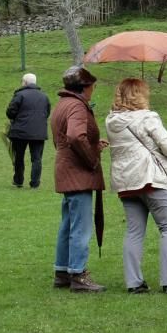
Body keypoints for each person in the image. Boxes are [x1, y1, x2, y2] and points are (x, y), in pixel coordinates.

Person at [106, 78, 167, 294]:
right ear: (140, 95)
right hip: (149, 178)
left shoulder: (111, 121)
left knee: (134, 231)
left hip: (126, 182)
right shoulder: (148, 118)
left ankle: (134, 282)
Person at [51, 65, 107, 293]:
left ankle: (62, 272)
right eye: (92, 86)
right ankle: (78, 274)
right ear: (85, 87)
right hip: (78, 173)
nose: (93, 89)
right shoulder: (76, 105)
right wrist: (92, 158)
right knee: (80, 227)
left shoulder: (63, 103)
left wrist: (93, 145)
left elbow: (62, 139)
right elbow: (74, 136)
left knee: (68, 224)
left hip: (66, 169)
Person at [6, 72, 51, 189]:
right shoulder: (44, 96)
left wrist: (15, 119)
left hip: (20, 131)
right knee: (37, 158)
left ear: (24, 82)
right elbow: (47, 112)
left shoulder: (20, 95)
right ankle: (35, 183)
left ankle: (18, 180)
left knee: (19, 157)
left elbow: (10, 112)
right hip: (38, 132)